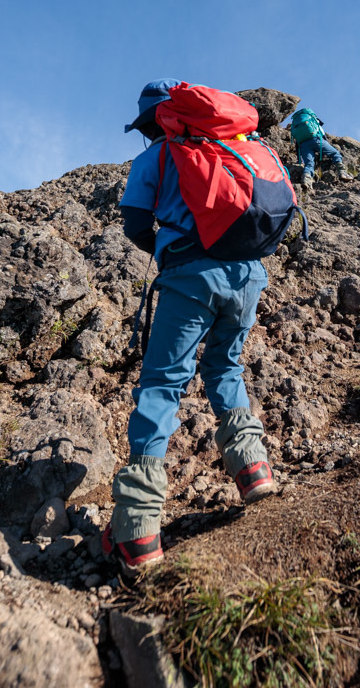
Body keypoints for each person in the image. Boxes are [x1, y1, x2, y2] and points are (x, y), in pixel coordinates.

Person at [103, 78, 279, 574]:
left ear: (152, 123)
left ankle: (137, 530)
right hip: (248, 274)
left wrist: (171, 249)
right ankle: (253, 469)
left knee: (162, 384)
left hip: (189, 279)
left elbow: (135, 225)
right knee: (226, 367)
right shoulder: (236, 145)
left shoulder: (156, 157)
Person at [288, 108, 351, 189]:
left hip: (303, 144)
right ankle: (342, 173)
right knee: (335, 153)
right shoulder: (314, 120)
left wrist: (299, 158)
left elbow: (297, 143)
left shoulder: (297, 124)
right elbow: (322, 134)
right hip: (316, 140)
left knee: (309, 163)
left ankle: (306, 180)